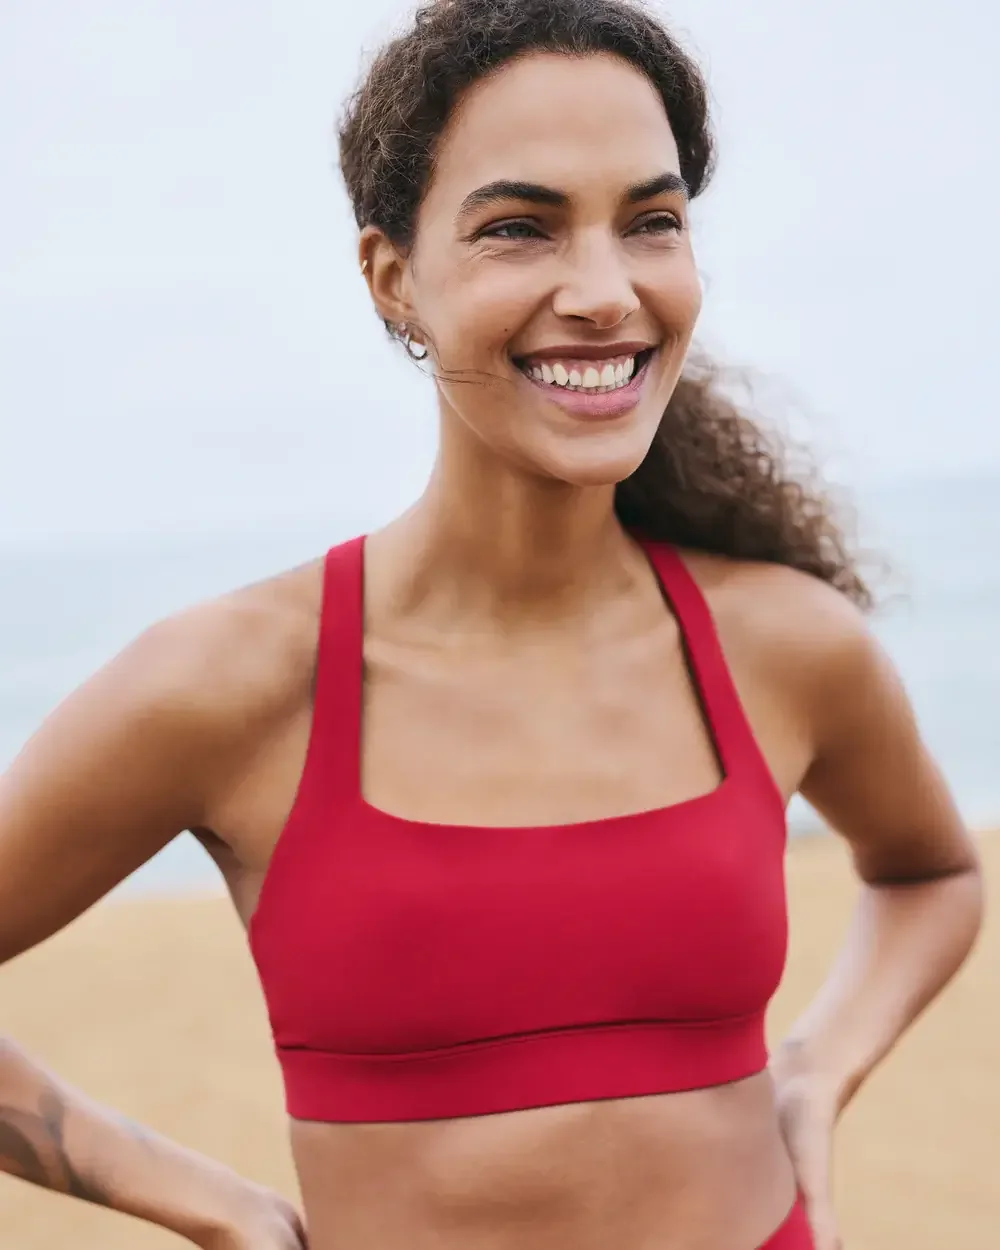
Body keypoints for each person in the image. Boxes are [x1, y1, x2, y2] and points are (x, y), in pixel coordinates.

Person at [0, 0, 983, 1247]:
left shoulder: (784, 644)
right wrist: (217, 1204)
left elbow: (934, 872)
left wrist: (815, 1070)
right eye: (519, 228)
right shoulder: (232, 682)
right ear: (393, 279)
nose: (603, 289)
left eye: (651, 222)